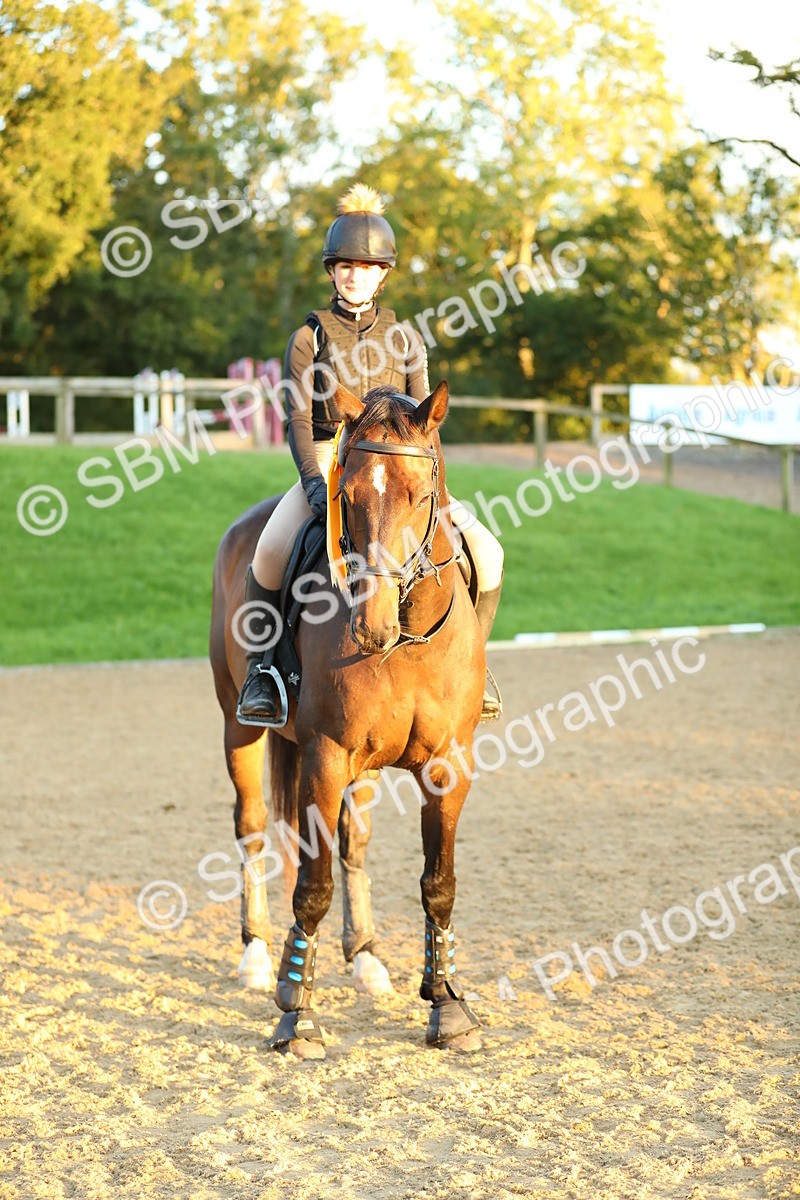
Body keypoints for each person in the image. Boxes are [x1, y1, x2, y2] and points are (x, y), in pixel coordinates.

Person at [237, 183, 504, 726]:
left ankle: (474, 668)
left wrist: (437, 493)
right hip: (329, 457)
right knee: (268, 552)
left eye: (367, 266)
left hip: (402, 469)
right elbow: (296, 418)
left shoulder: (406, 339)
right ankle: (262, 673)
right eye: (345, 266)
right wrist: (314, 484)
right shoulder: (308, 338)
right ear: (332, 271)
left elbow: (427, 426)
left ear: (383, 274)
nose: (355, 275)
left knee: (488, 551)